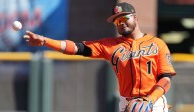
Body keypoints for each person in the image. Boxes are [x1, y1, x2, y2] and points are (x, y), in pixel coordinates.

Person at [24, 2, 176, 112]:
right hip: (126, 103)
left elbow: (166, 79)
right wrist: (45, 41)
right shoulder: (110, 45)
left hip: (154, 102)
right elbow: (76, 48)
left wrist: (150, 99)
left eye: (124, 18)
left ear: (135, 17)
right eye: (117, 21)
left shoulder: (157, 44)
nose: (120, 23)